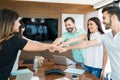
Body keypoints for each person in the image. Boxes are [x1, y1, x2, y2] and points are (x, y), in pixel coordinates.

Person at [58, 6, 120, 80]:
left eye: (104, 18)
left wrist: (103, 69)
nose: (102, 21)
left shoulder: (102, 35)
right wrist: (66, 47)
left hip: (97, 67)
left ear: (113, 17)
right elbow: (85, 44)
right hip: (112, 76)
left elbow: (105, 54)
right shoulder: (106, 37)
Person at [0, 9, 52, 80]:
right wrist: (52, 45)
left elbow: (34, 43)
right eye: (18, 21)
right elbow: (39, 46)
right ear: (10, 23)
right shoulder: (14, 40)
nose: (19, 24)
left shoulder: (7, 39)